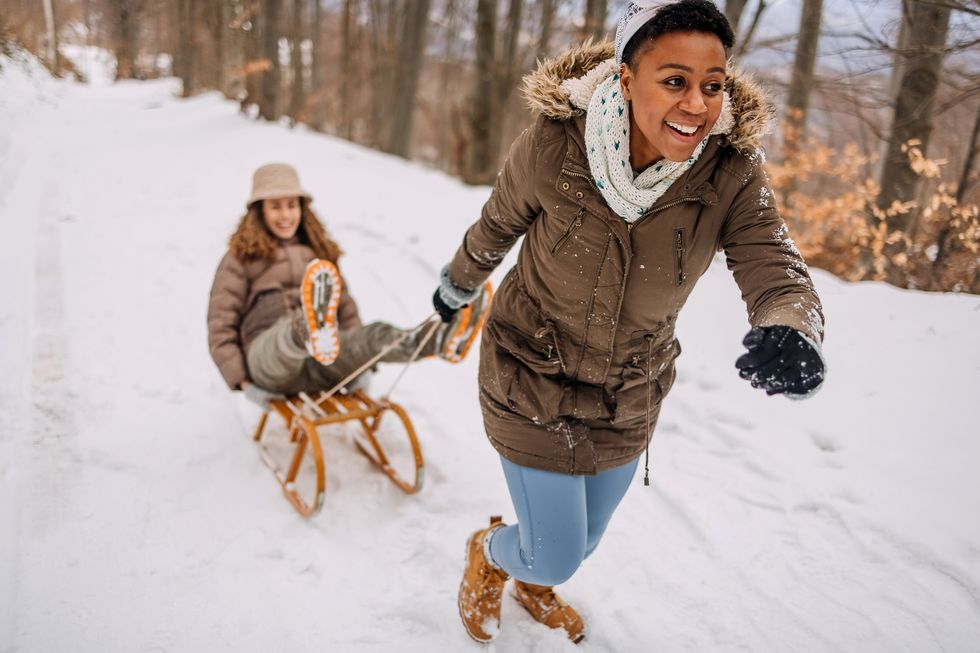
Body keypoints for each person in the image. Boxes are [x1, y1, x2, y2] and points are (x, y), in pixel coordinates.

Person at [433, 0, 826, 643]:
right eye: (674, 81)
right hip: (531, 373)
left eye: (712, 86)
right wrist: (459, 283)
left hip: (629, 392)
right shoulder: (556, 144)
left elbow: (775, 265)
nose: (696, 105)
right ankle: (492, 553)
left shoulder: (731, 172)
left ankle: (533, 570)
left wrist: (792, 326)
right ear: (625, 77)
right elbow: (497, 224)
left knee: (582, 543)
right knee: (555, 552)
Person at [208, 162, 488, 406]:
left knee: (373, 335)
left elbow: (344, 307)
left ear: (302, 208)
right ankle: (305, 329)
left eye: (291, 205)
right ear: (259, 211)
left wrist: (360, 359)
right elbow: (220, 323)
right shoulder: (240, 258)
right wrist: (242, 381)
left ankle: (439, 338)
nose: (285, 215)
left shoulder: (318, 251)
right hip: (270, 365)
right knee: (284, 337)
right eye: (275, 206)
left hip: (322, 363)